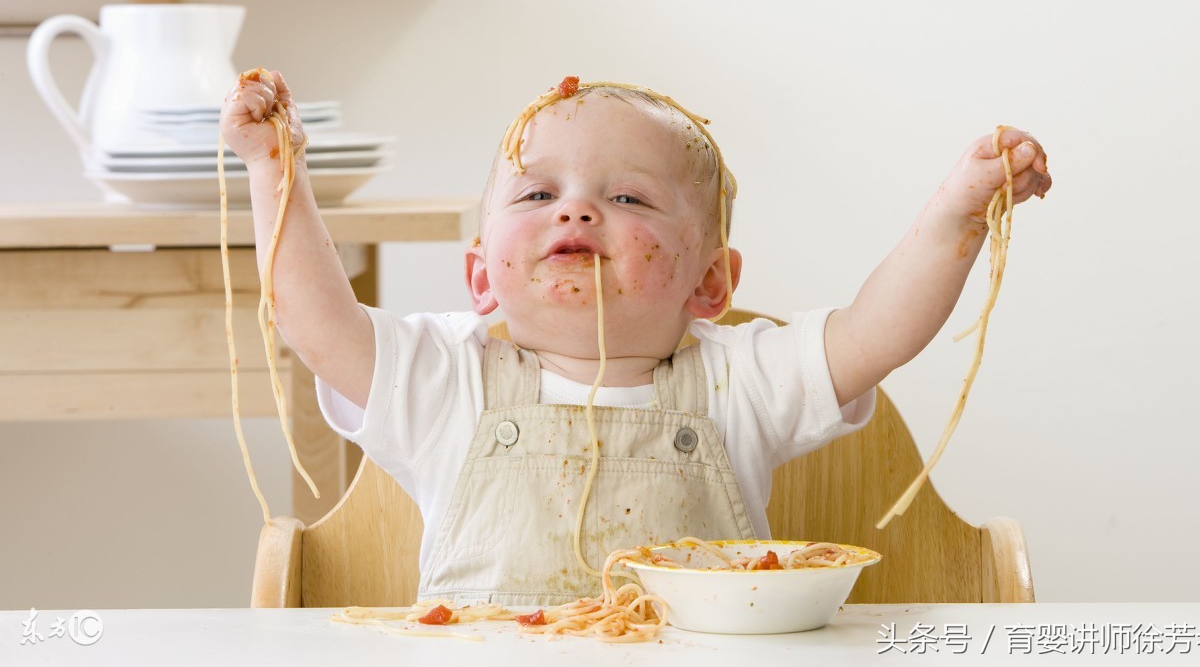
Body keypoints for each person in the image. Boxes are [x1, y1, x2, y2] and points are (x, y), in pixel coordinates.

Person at [220, 73, 1052, 607]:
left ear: (711, 285)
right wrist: (276, 171)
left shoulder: (740, 380)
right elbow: (315, 320)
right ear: (481, 278)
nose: (575, 210)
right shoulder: (449, 379)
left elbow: (878, 332)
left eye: (629, 198)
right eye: (538, 192)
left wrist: (958, 214)